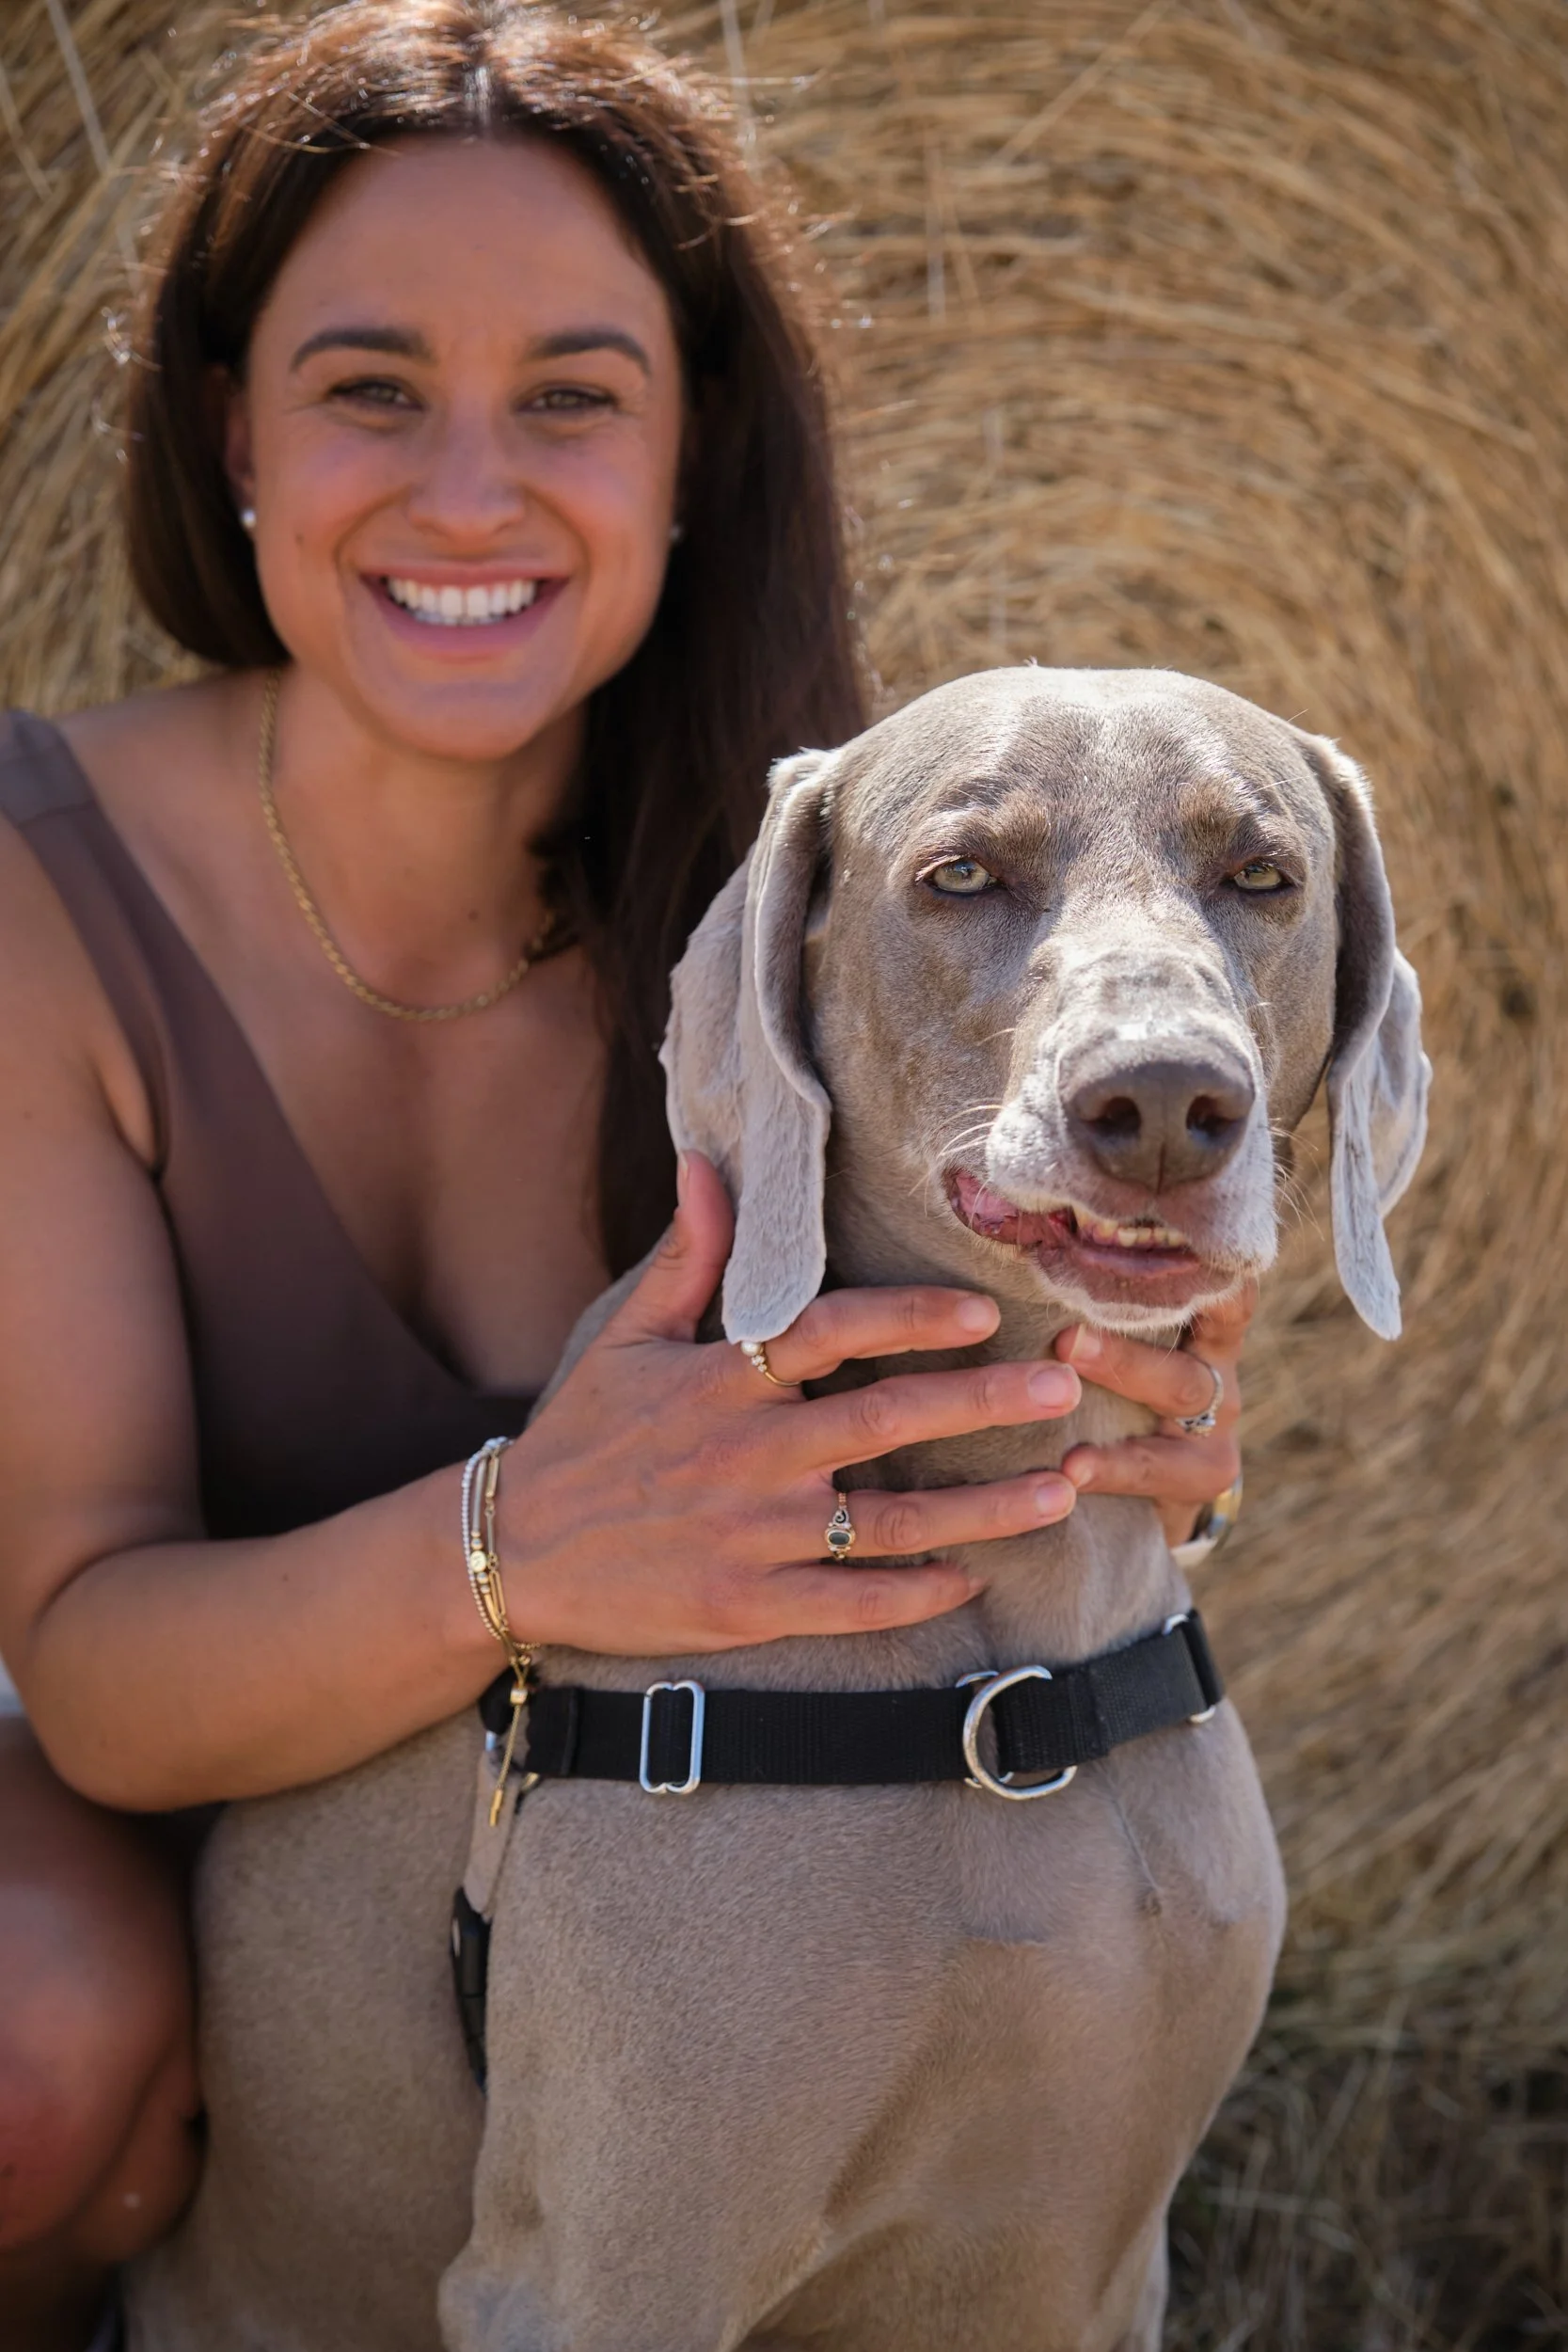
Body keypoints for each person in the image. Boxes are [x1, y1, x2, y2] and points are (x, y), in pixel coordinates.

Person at [0, 5, 1249, 2344]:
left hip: (616, 1863)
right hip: (162, 1820)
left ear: (690, 459)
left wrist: (1145, 1396)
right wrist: (517, 1543)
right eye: (370, 386)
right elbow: (89, 1673)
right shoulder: (34, 890)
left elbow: (1057, 1306)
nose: (469, 488)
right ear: (227, 430)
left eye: (571, 396)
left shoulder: (815, 901)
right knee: (29, 2051)